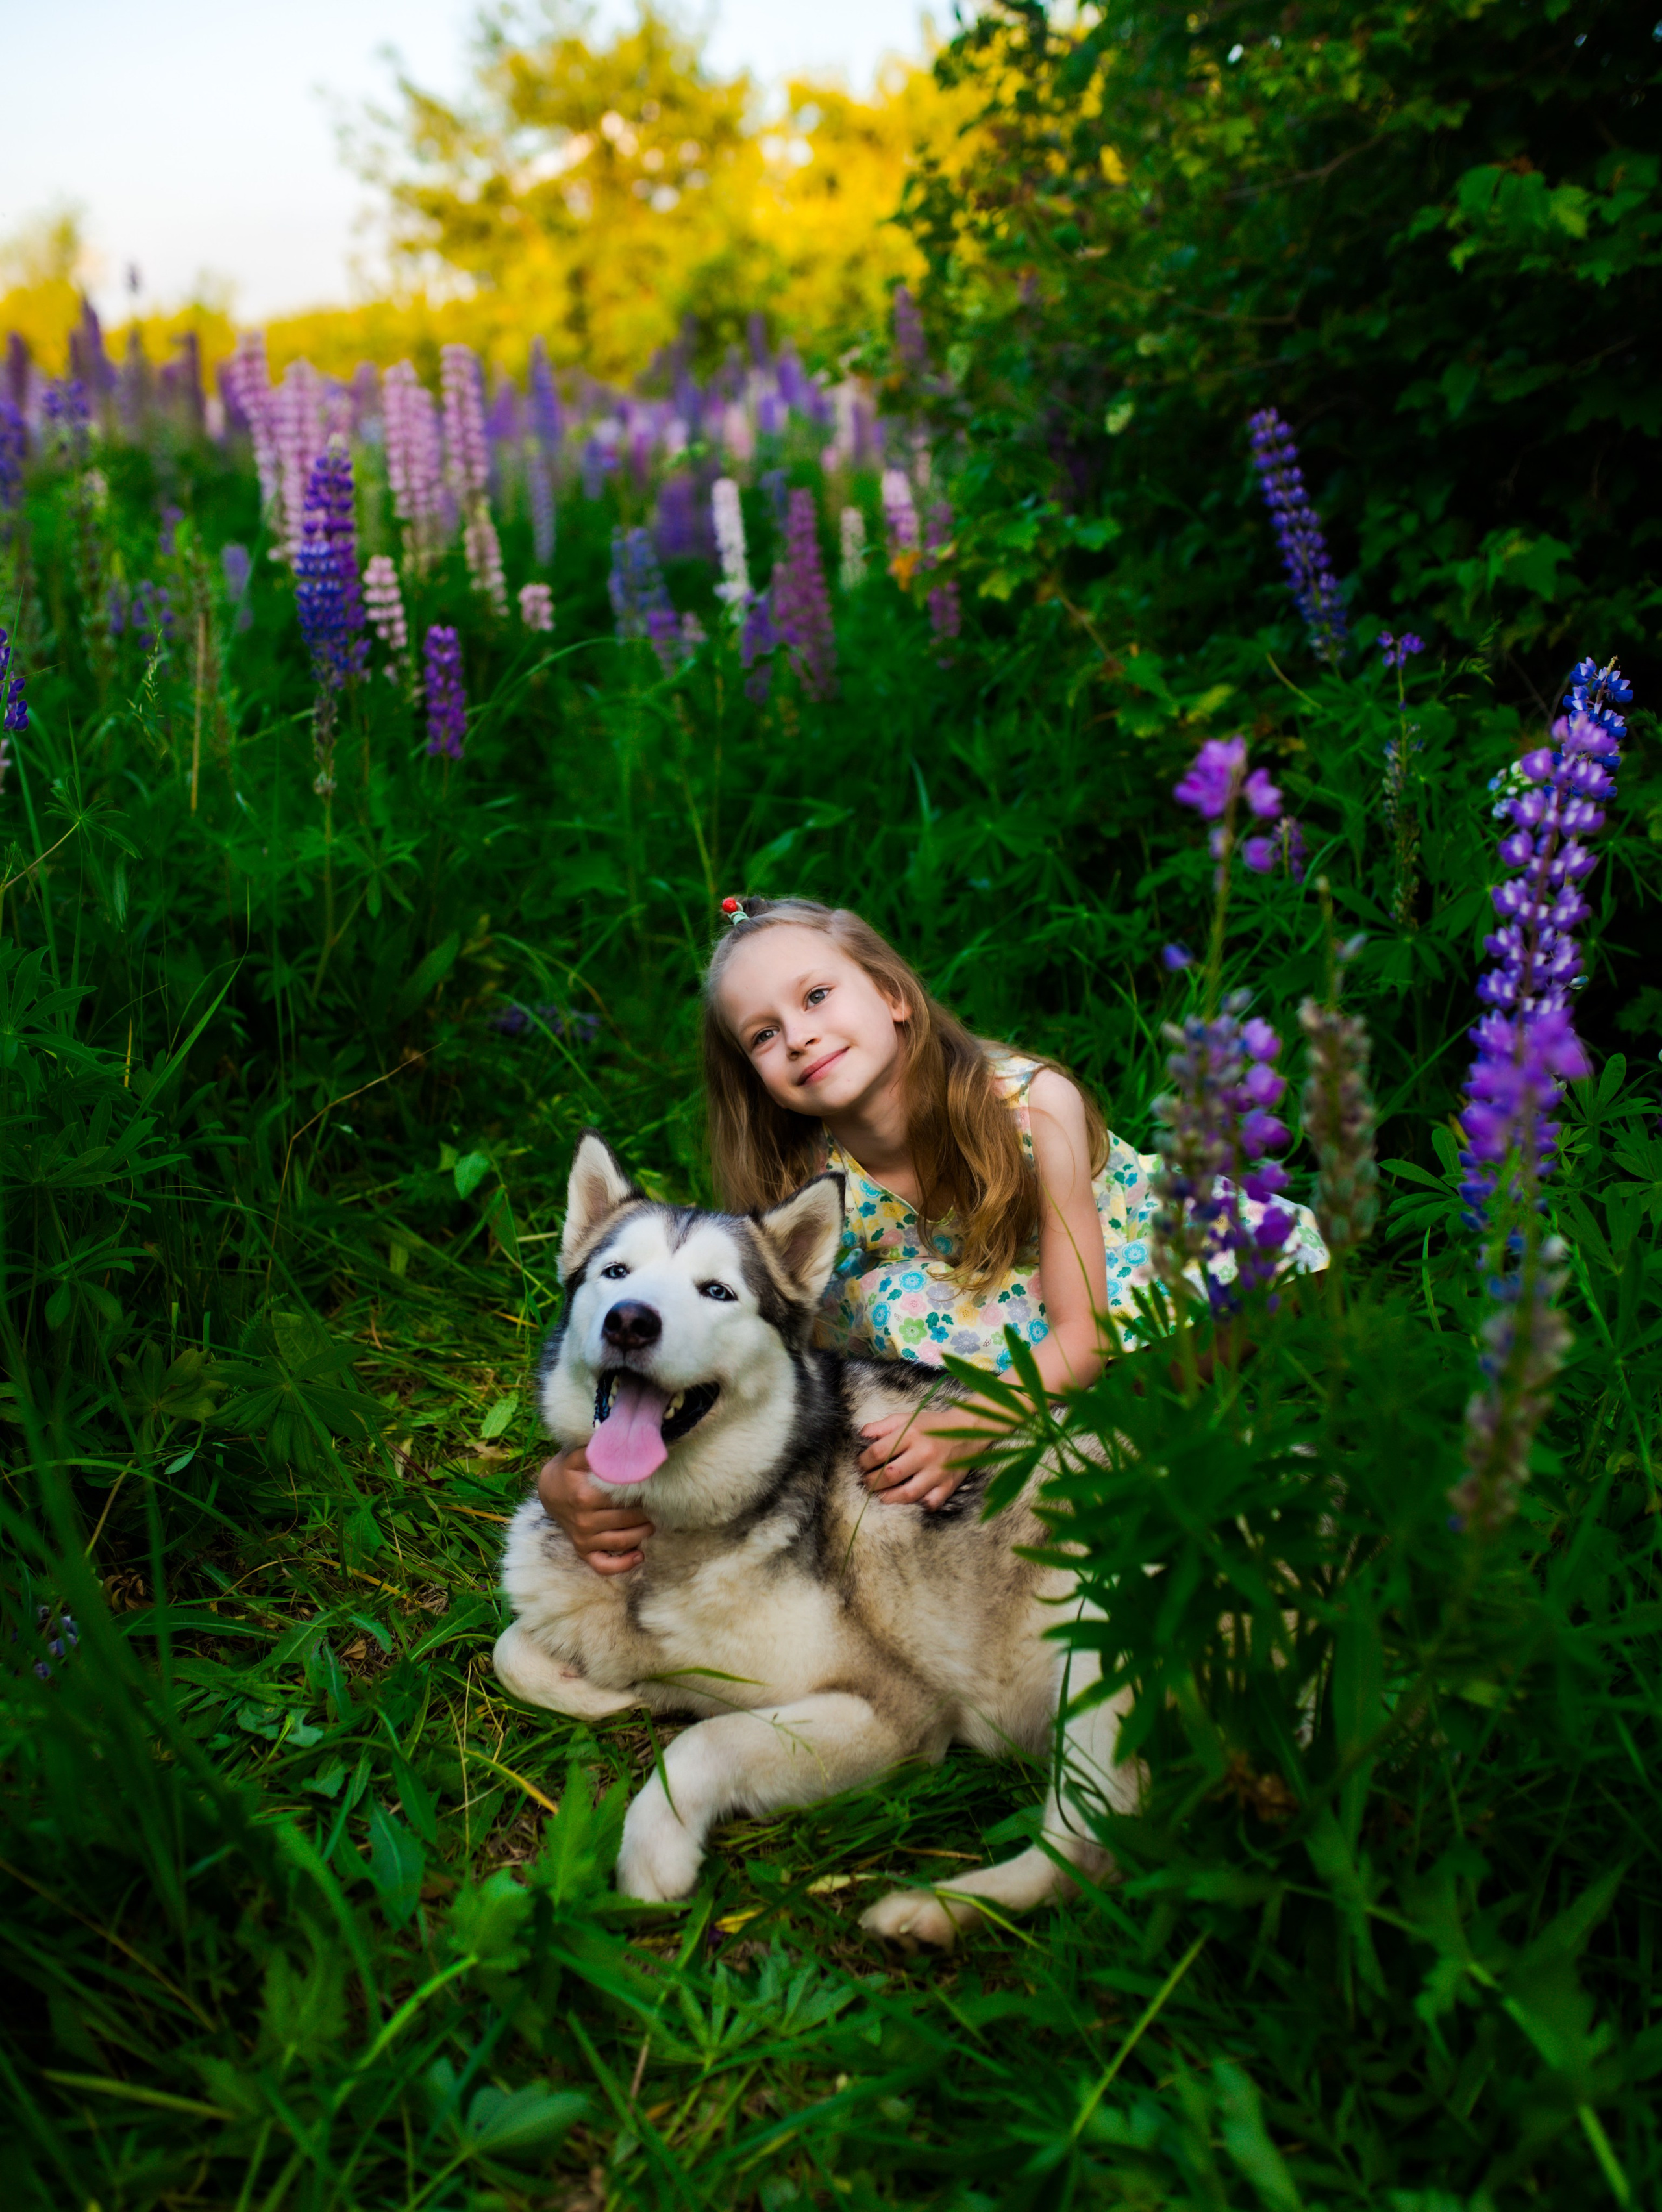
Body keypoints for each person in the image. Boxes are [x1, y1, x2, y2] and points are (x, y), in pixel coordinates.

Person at [538, 895, 1326, 1571]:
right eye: (764, 1035)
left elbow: (1082, 1328)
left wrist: (972, 1423)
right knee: (889, 1325)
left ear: (892, 995)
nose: (799, 1035)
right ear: (754, 1077)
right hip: (967, 1313)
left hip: (1114, 1279)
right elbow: (741, 1372)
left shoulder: (1032, 1103)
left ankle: (1116, 1425)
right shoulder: (799, 1187)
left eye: (817, 996)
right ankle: (1057, 1425)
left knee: (1245, 1284)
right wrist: (564, 1475)